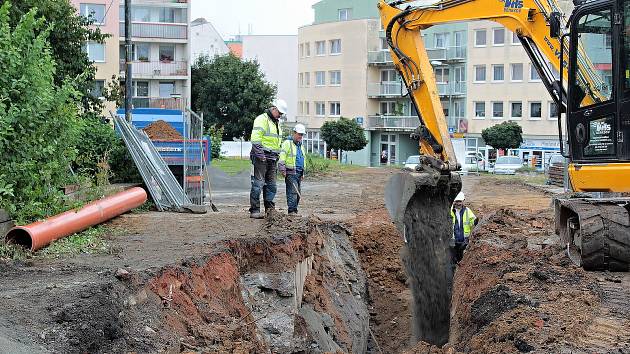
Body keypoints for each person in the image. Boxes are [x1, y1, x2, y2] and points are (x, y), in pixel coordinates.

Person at [249, 99, 287, 219]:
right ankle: (254, 210)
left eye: (281, 114)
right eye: (279, 113)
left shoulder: (276, 123)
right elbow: (255, 139)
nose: (280, 116)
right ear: (274, 108)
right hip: (261, 156)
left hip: (272, 158)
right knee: (258, 183)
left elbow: (276, 142)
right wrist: (261, 155)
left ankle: (269, 210)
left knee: (271, 185)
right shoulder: (262, 119)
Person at [279, 124, 306, 215]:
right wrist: (282, 169)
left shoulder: (301, 145)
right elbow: (282, 156)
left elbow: (302, 159)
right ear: (294, 133)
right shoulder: (287, 143)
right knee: (292, 192)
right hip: (290, 172)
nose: (300, 136)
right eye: (299, 134)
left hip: (299, 172)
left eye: (302, 135)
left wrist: (303, 173)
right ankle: (291, 211)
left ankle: (294, 210)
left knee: (298, 194)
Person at [451, 192, 477, 263]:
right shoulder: (450, 211)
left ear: (463, 201)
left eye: (460, 201)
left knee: (463, 261)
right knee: (453, 260)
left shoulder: (467, 211)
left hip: (464, 241)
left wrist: (476, 221)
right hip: (453, 241)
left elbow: (473, 221)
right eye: (456, 201)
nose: (458, 203)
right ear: (453, 201)